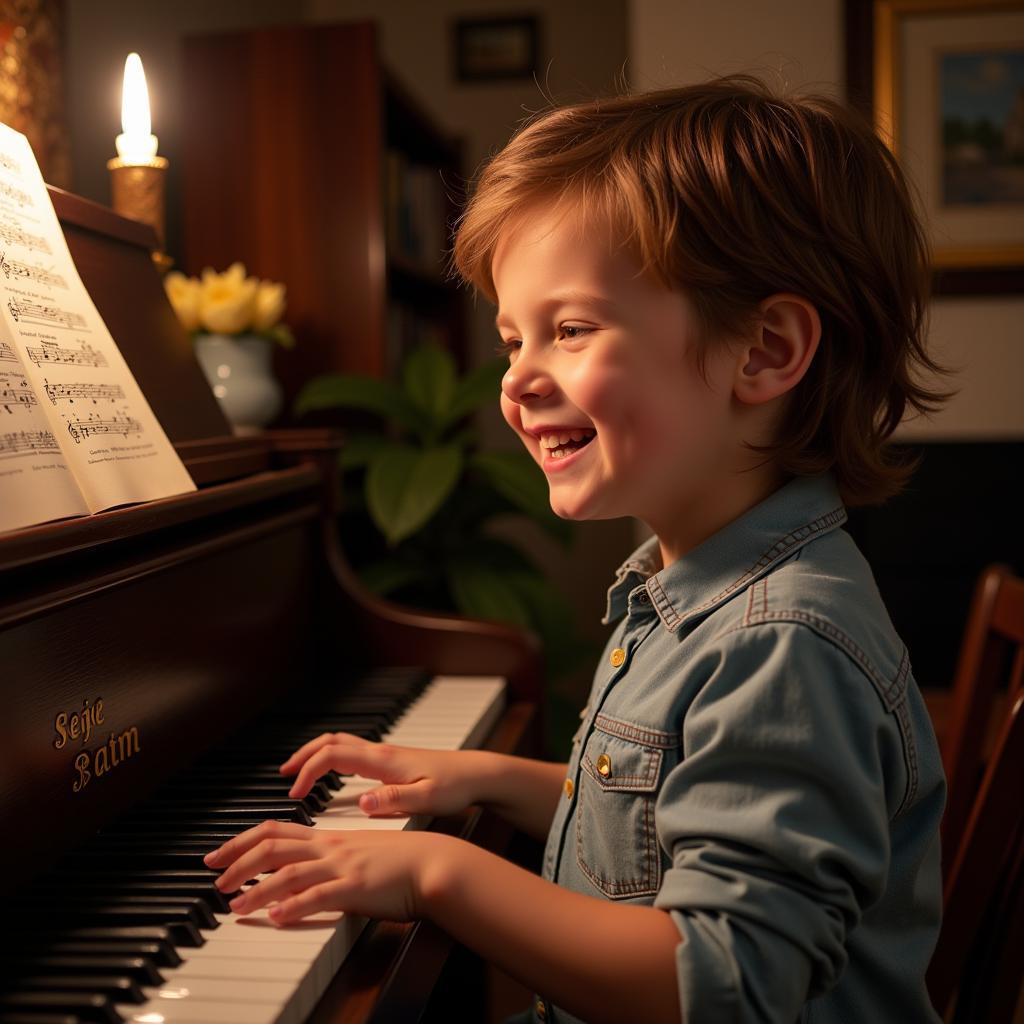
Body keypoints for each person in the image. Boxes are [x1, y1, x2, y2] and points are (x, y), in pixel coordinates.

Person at [205, 75, 952, 1023]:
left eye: (568, 330)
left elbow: (724, 982)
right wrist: (498, 781)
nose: (515, 381)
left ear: (763, 351)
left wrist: (440, 870)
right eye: (514, 338)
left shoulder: (783, 641)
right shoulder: (700, 583)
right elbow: (674, 810)